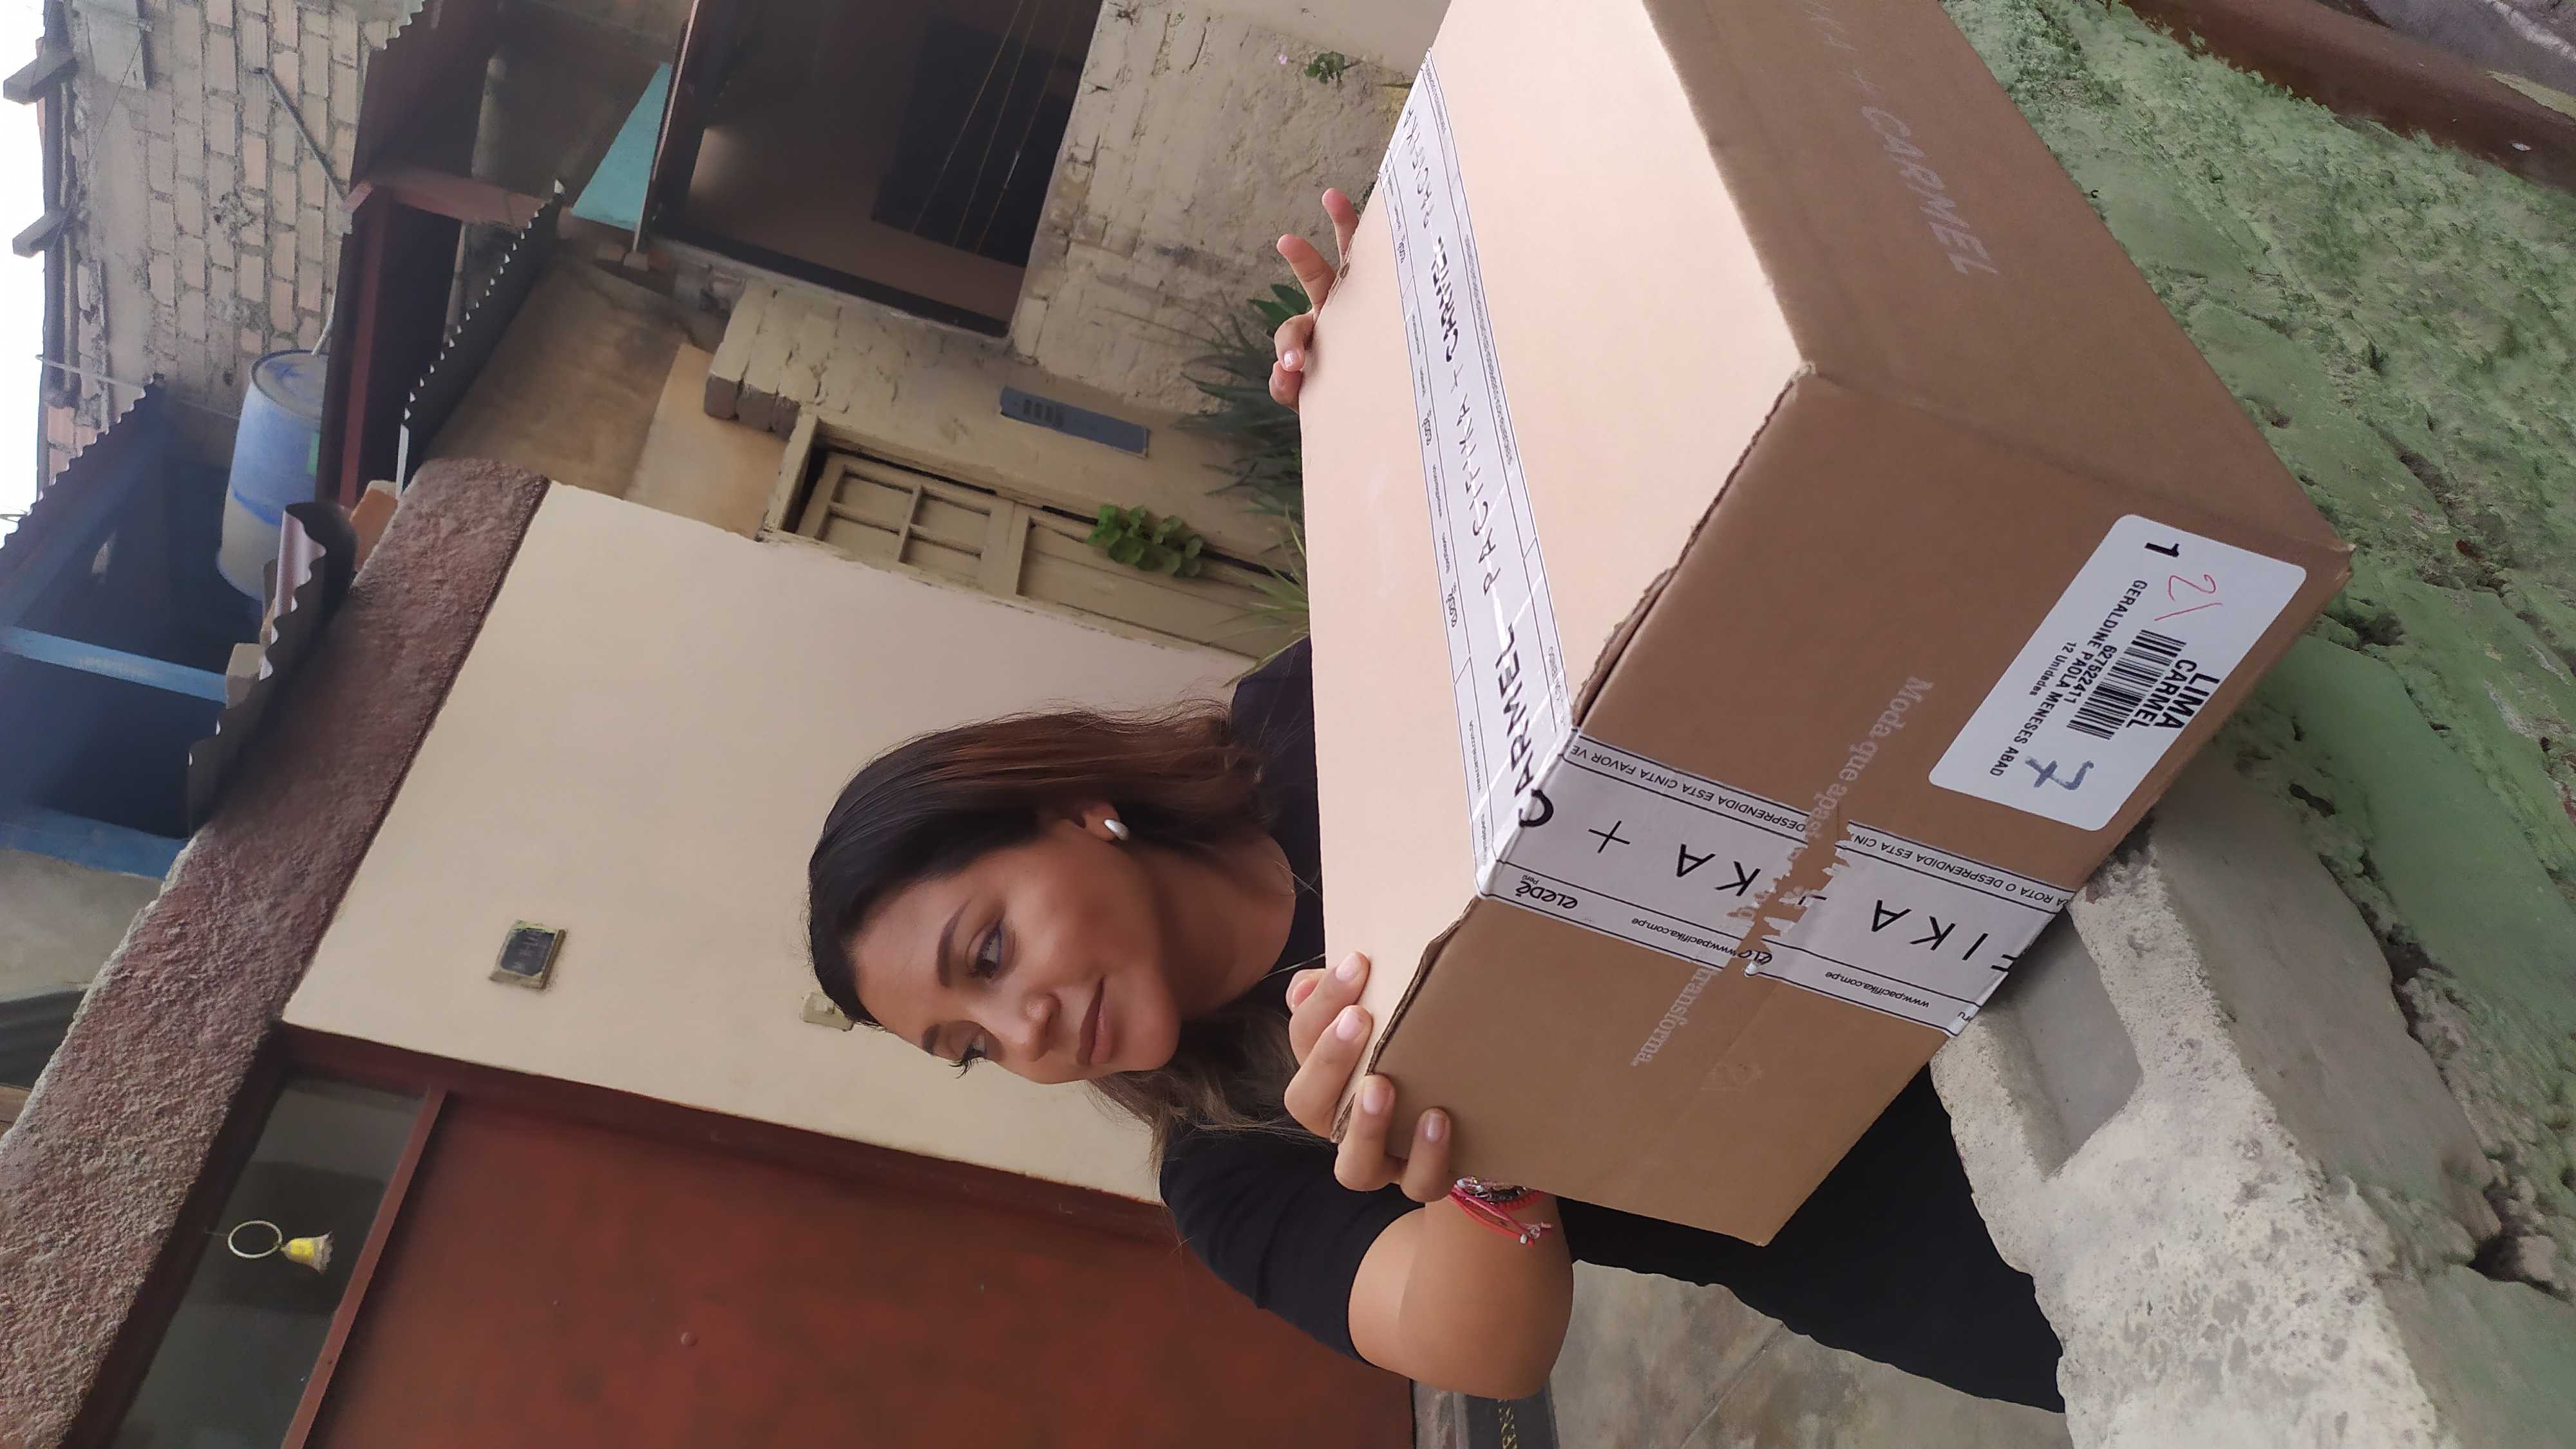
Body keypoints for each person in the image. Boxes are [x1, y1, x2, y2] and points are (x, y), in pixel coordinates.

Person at [804, 191, 2064, 1409]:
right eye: (973, 1047)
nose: (1021, 1029)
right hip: (1944, 1217)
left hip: (1977, 892)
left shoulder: (1305, 715)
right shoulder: (1231, 1165)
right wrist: (1476, 1144)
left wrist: (1409, 368)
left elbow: (1601, 557)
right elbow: (1481, 1350)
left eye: (987, 953)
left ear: (1072, 809)